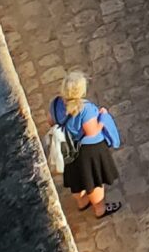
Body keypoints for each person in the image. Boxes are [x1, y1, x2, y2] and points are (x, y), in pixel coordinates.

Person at [50, 73, 123, 219]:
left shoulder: (55, 103)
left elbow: (51, 122)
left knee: (76, 179)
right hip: (88, 151)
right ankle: (100, 209)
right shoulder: (86, 109)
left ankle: (82, 202)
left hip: (69, 148)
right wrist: (103, 117)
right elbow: (92, 131)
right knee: (94, 182)